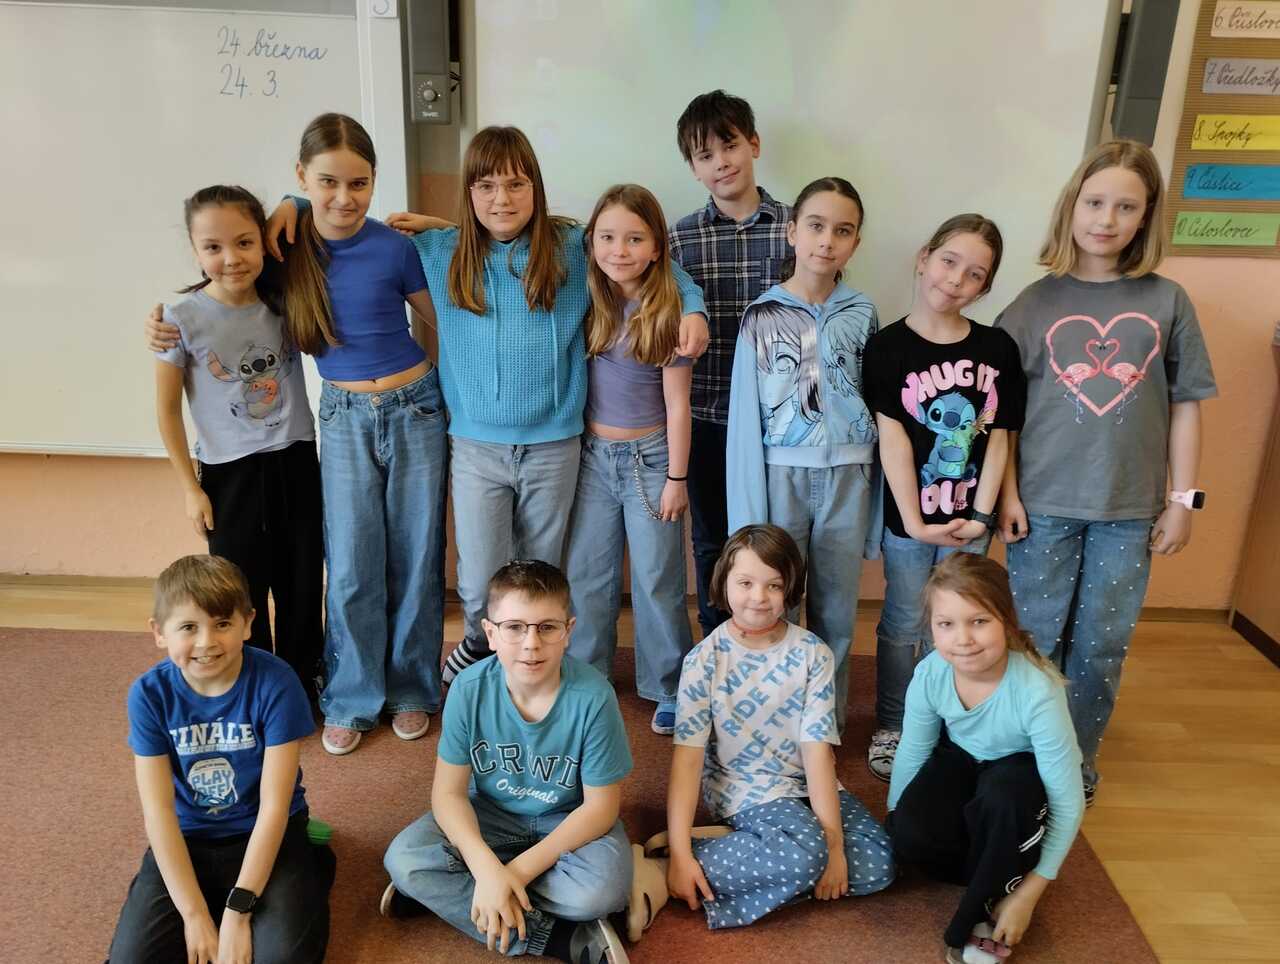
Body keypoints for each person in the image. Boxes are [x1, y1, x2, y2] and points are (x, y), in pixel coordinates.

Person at [149, 114, 448, 756]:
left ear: (375, 180)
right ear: (301, 178)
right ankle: (352, 695)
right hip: (342, 415)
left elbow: (448, 321)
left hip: (416, 407)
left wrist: (446, 232)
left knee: (417, 554)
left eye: (359, 183)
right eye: (326, 182)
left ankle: (412, 689)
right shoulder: (286, 252)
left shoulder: (395, 248)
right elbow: (227, 278)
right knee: (352, 563)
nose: (344, 197)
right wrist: (163, 323)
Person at [370, 126, 708, 685]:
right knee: (478, 581)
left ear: (536, 187)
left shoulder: (573, 247)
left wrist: (692, 305)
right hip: (476, 446)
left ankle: (536, 670)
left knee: (542, 573)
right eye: (485, 187)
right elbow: (348, 235)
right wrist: (296, 203)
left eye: (515, 185)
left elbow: (648, 260)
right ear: (468, 192)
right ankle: (481, 649)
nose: (501, 199)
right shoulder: (438, 250)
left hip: (556, 446)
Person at [994, 140, 1218, 803]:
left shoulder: (1168, 301)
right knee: (1035, 640)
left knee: (1101, 643)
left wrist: (1183, 500)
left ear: (1146, 217)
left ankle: (1076, 761)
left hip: (1128, 511)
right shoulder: (1032, 305)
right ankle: (1025, 755)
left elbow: (1185, 405)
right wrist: (1006, 494)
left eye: (1127, 207)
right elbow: (1002, 417)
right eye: (1095, 202)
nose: (1107, 219)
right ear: (1072, 206)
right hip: (1041, 506)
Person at [380, 560, 634, 963]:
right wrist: (486, 868)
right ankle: (556, 938)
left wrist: (511, 874)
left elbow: (600, 808)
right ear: (490, 633)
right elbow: (447, 794)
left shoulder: (594, 696)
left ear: (568, 631)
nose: (531, 643)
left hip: (566, 821)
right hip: (490, 815)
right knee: (404, 859)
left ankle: (457, 894)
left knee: (601, 893)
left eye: (547, 627)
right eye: (514, 627)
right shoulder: (467, 688)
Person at [661, 524, 895, 931]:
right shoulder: (703, 661)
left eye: (774, 585)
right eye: (746, 583)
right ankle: (668, 864)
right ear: (723, 582)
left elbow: (817, 754)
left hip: (806, 784)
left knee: (879, 863)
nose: (759, 597)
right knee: (807, 854)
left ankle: (744, 852)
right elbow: (687, 763)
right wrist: (680, 853)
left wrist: (834, 847)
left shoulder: (813, 654)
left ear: (789, 589)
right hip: (746, 788)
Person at [862, 213, 1025, 781]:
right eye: (949, 261)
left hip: (970, 524)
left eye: (974, 274)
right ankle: (893, 723)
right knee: (904, 621)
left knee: (958, 624)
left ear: (985, 286)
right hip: (910, 523)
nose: (956, 279)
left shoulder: (997, 348)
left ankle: (944, 722)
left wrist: (981, 515)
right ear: (924, 258)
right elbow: (892, 439)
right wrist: (913, 521)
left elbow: (1000, 437)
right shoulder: (886, 347)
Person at [107, 554, 333, 964]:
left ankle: (312, 864)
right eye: (188, 627)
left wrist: (237, 911)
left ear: (248, 623)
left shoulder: (277, 683)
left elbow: (274, 807)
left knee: (282, 958)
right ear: (159, 632)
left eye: (223, 624)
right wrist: (194, 915)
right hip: (187, 837)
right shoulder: (148, 694)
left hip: (264, 830)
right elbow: (158, 812)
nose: (207, 642)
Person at [153, 185, 323, 701]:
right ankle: (255, 684)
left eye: (245, 242)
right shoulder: (180, 320)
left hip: (295, 460)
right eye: (213, 247)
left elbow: (315, 204)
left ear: (263, 242)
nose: (231, 258)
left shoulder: (284, 299)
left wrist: (292, 203)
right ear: (195, 250)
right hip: (229, 476)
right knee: (240, 589)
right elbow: (166, 410)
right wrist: (191, 488)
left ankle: (302, 683)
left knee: (301, 583)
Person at [725, 177, 878, 729]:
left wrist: (877, 511)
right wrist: (746, 523)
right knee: (774, 606)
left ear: (855, 242)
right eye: (816, 226)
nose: (827, 241)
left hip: (850, 479)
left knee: (836, 612)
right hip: (780, 479)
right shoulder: (762, 315)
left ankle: (823, 726)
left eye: (843, 230)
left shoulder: (863, 313)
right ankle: (772, 723)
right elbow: (744, 421)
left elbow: (879, 410)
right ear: (792, 232)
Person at [886, 553, 1084, 964]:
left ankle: (989, 902)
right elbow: (914, 750)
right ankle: (994, 865)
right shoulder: (931, 673)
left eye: (978, 621)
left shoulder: (1038, 690)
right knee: (909, 832)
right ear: (932, 627)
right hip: (962, 758)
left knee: (1004, 798)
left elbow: (1068, 801)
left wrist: (1030, 892)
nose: (963, 639)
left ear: (1006, 621)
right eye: (946, 624)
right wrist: (896, 819)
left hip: (1018, 773)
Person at [563, 183, 694, 736]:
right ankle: (587, 676)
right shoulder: (586, 295)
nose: (620, 250)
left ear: (657, 247)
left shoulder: (669, 310)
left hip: (652, 457)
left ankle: (669, 684)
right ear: (591, 241)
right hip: (592, 457)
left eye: (635, 239)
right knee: (588, 576)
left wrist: (677, 477)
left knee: (657, 577)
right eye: (608, 237)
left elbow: (678, 404)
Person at [669, 89, 793, 639]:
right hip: (706, 415)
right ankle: (719, 642)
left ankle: (778, 645)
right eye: (705, 155)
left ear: (754, 145)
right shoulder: (679, 238)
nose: (721, 162)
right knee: (712, 541)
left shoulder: (795, 227)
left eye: (730, 145)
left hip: (780, 420)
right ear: (693, 168)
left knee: (774, 539)